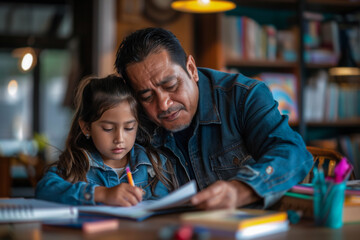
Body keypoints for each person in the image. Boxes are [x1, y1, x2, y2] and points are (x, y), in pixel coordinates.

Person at [114, 27, 313, 209]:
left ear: (191, 69)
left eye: (171, 86)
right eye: (147, 97)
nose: (164, 104)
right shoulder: (132, 118)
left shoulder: (243, 97)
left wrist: (240, 190)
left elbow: (293, 153)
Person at [35, 74, 177, 206]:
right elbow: (43, 189)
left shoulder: (153, 165)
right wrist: (101, 194)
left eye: (129, 128)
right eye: (108, 129)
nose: (119, 139)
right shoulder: (76, 164)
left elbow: (163, 207)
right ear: (86, 128)